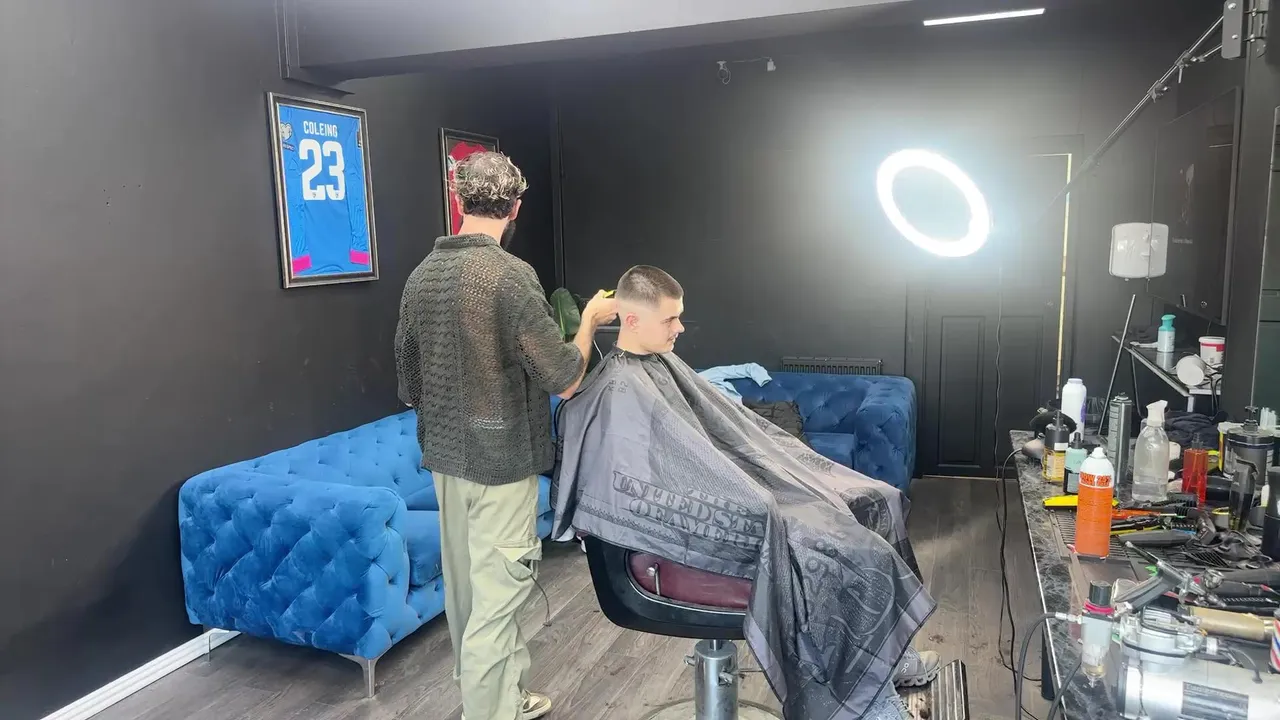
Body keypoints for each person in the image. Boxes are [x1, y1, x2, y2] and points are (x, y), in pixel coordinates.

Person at [608, 265, 942, 719]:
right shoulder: (618, 387)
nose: (680, 328)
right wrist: (757, 500)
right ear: (632, 320)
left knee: (875, 501)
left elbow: (725, 436)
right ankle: (870, 703)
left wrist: (778, 470)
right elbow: (642, 486)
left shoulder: (661, 366)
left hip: (729, 498)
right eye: (670, 319)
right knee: (851, 553)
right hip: (690, 530)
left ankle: (886, 660)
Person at [395, 151, 616, 720]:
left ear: (458, 201)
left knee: (469, 599)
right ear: (515, 207)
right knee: (498, 602)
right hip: (501, 466)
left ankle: (505, 698)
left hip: (445, 463)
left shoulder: (421, 277)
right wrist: (589, 322)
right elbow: (565, 378)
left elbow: (410, 386)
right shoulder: (511, 277)